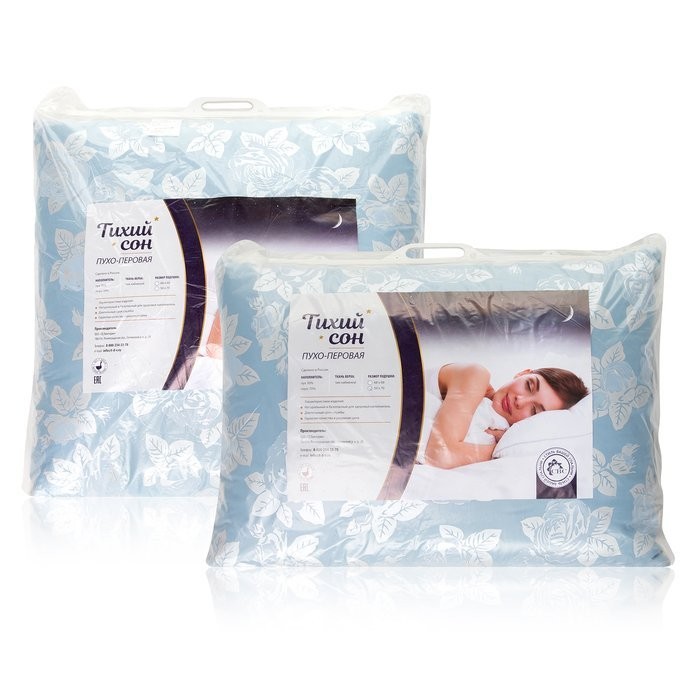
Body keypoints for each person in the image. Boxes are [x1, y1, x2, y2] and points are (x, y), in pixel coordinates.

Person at [424, 364, 589, 469]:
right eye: (529, 385)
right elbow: (438, 455)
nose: (520, 401)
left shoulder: (491, 424)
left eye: (534, 410)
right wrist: (496, 448)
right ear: (522, 373)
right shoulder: (476, 375)